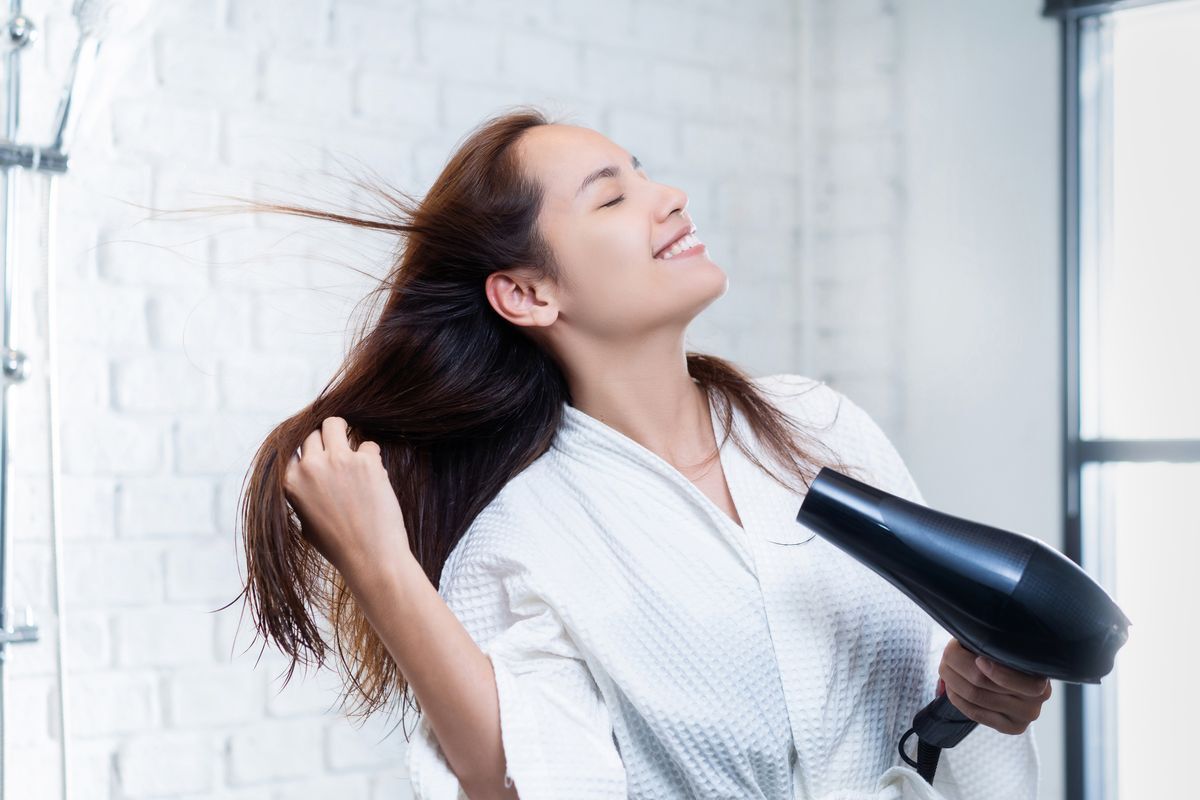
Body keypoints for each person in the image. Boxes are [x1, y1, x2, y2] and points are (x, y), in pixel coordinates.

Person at [232, 107, 1049, 799]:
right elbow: (530, 777)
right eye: (613, 196)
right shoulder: (524, 539)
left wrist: (979, 691)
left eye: (644, 174)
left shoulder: (820, 427)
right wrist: (380, 566)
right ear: (528, 293)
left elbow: (939, 682)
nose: (671, 198)